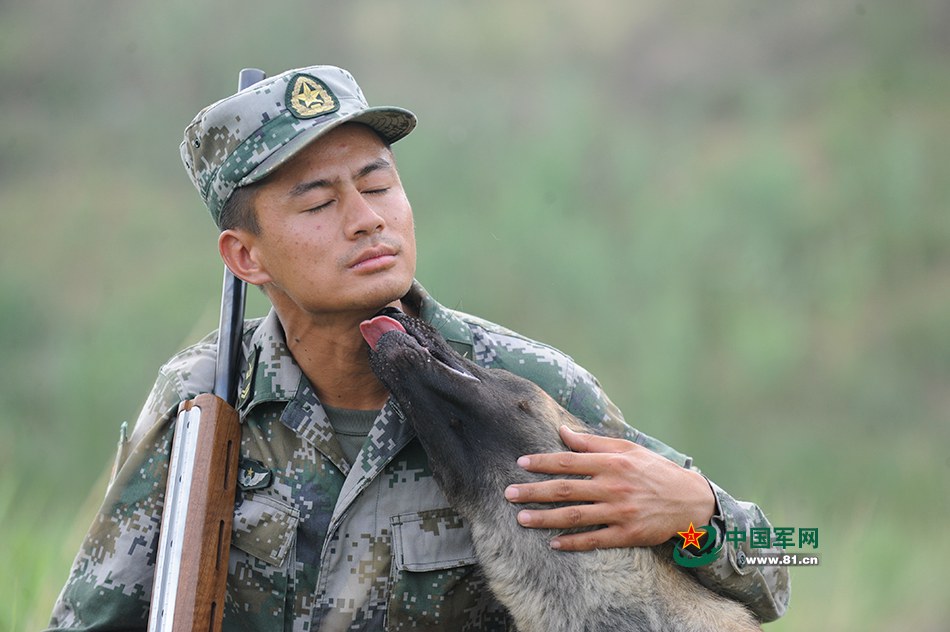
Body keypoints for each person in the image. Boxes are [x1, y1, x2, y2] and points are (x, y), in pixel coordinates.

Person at [48, 65, 789, 631]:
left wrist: (703, 512)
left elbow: (786, 558)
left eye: (378, 184)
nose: (367, 220)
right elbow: (90, 614)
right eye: (317, 202)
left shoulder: (514, 391)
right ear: (246, 257)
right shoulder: (202, 399)